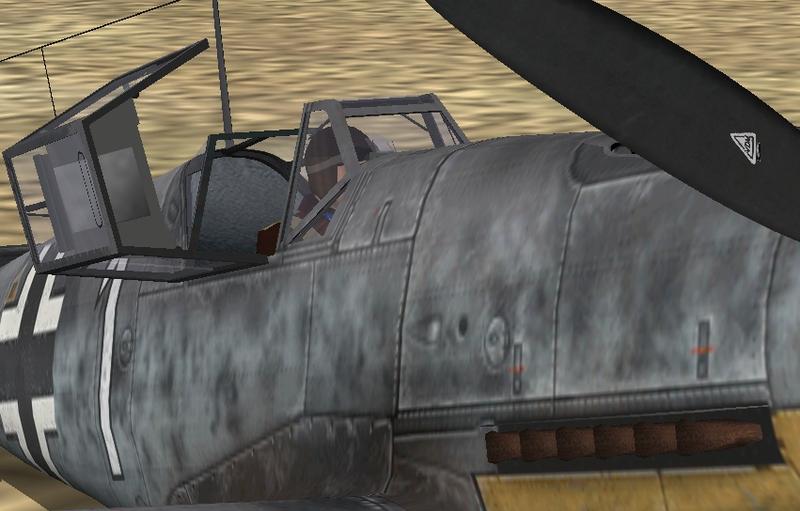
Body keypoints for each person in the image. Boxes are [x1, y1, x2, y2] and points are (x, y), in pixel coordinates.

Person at [294, 125, 375, 235]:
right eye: (354, 166)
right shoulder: (296, 233)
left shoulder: (371, 216)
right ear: (324, 174)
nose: (363, 175)